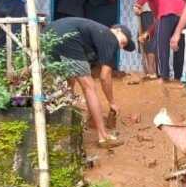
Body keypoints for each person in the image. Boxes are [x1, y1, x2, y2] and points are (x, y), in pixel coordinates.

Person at [48, 17, 135, 149]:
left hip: (48, 34)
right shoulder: (109, 36)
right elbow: (105, 76)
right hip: (68, 38)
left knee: (67, 82)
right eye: (123, 42)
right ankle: (103, 136)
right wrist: (111, 102)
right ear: (116, 30)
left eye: (123, 46)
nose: (120, 46)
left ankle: (63, 123)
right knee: (89, 87)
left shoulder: (94, 33)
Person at [133, 0, 185, 82]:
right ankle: (177, 77)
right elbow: (158, 20)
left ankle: (164, 76)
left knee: (162, 44)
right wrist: (148, 33)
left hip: (170, 11)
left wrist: (138, 4)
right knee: (178, 44)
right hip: (181, 13)